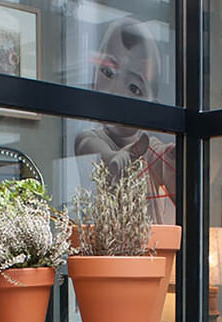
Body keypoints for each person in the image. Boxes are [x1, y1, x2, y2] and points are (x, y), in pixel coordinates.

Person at [74, 17, 176, 224]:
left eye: (134, 88)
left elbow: (168, 167)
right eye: (108, 72)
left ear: (151, 107)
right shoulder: (90, 138)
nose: (116, 91)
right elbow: (104, 160)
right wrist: (124, 156)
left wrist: (176, 156)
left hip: (150, 247)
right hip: (108, 244)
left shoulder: (151, 149)